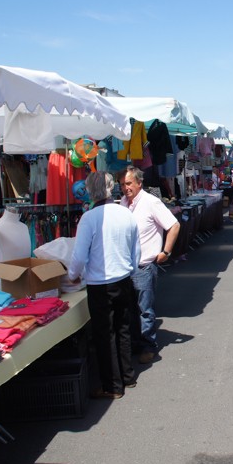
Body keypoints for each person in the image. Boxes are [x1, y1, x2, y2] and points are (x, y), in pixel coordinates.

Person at [68, 171, 140, 399]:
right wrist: (131, 270)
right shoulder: (125, 213)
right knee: (123, 329)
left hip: (100, 283)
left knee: (105, 334)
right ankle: (127, 376)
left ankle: (112, 385)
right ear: (111, 188)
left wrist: (72, 275)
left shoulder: (89, 218)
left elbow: (79, 256)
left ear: (90, 191)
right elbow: (136, 250)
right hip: (123, 278)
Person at [120, 166, 180, 364]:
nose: (125, 188)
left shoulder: (150, 202)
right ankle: (136, 343)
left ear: (139, 183)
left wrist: (166, 252)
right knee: (130, 309)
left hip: (145, 265)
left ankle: (149, 345)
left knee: (145, 309)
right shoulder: (123, 203)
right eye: (122, 184)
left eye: (129, 183)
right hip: (126, 267)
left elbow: (174, 225)